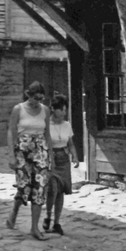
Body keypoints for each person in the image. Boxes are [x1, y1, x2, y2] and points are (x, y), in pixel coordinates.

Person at [6, 81, 54, 240]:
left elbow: (47, 134)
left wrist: (51, 156)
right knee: (24, 187)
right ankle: (14, 211)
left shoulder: (45, 110)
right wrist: (11, 155)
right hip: (22, 152)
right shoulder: (18, 109)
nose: (38, 102)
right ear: (29, 96)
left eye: (41, 99)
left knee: (40, 188)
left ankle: (34, 227)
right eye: (35, 99)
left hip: (40, 151)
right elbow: (11, 132)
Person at [44, 94, 78, 236]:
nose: (64, 112)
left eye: (65, 110)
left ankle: (57, 222)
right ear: (53, 109)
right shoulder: (46, 125)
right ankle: (48, 215)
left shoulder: (67, 125)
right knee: (53, 189)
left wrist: (74, 156)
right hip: (51, 158)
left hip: (63, 159)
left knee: (61, 191)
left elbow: (70, 143)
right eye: (61, 110)